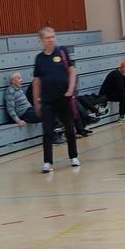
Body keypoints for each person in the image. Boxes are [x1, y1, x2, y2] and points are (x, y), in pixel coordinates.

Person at [32, 26, 79, 173]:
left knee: (69, 129)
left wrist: (70, 90)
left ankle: (74, 156)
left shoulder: (62, 52)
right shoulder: (39, 59)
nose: (51, 40)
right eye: (48, 38)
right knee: (47, 131)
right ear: (41, 40)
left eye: (53, 36)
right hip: (47, 101)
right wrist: (36, 102)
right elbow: (37, 81)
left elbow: (72, 71)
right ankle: (47, 162)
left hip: (63, 98)